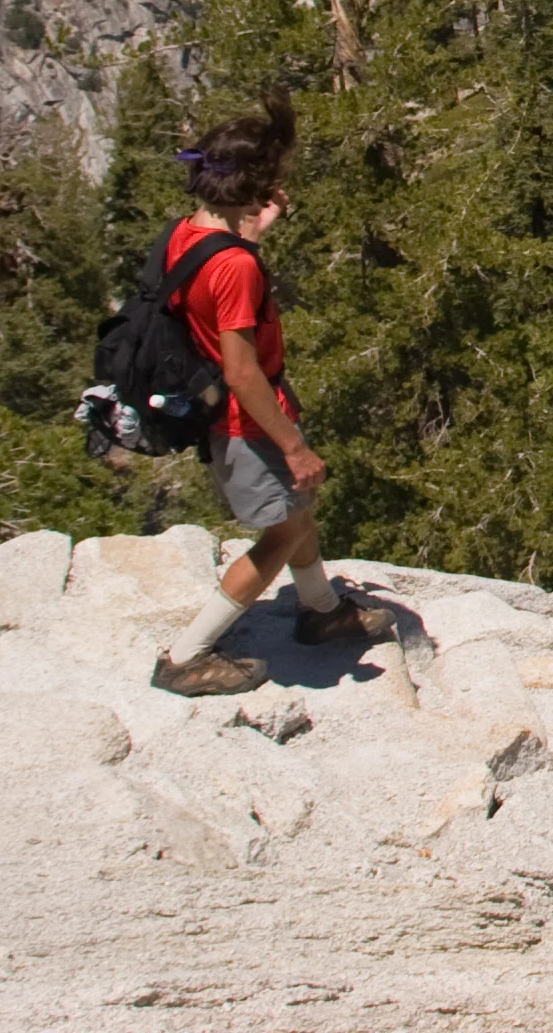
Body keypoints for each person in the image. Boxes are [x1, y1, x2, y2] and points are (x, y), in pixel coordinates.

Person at [147, 92, 394, 697]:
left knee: (296, 511)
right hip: (248, 423)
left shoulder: (189, 235)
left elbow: (216, 279)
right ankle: (187, 654)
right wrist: (293, 446)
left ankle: (321, 611)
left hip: (234, 416)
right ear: (256, 182)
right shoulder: (237, 268)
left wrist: (253, 229)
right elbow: (242, 371)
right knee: (280, 535)